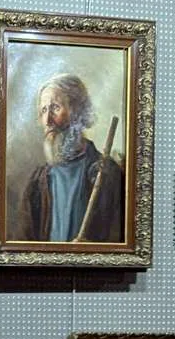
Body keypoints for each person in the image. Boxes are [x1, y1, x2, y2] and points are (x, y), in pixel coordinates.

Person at [13, 73, 124, 243]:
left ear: (78, 112)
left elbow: (120, 239)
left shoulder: (107, 173)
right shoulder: (37, 182)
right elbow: (21, 243)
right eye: (44, 110)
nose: (47, 120)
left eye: (55, 108)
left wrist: (94, 250)